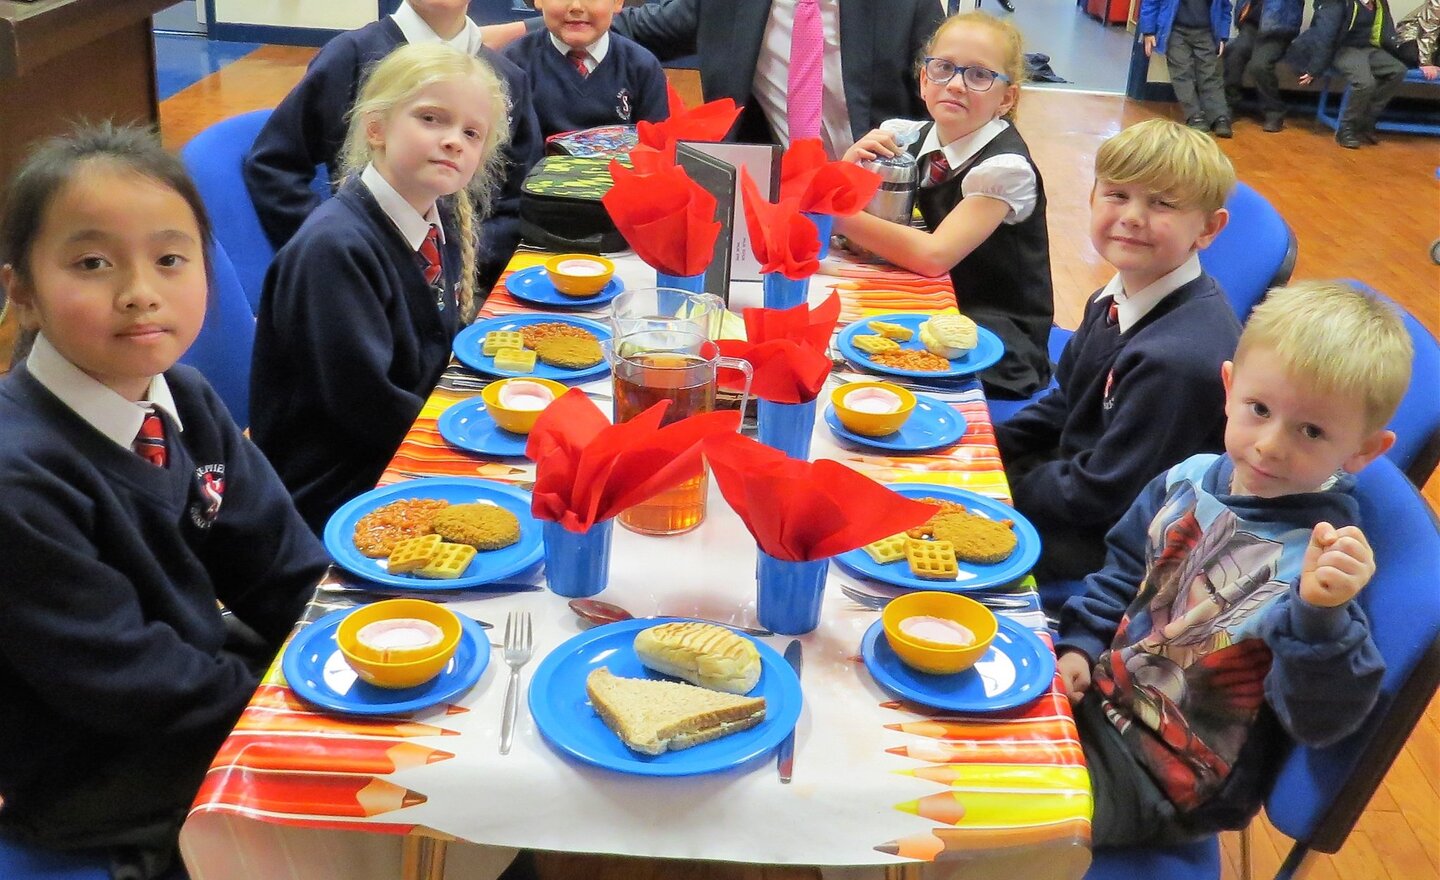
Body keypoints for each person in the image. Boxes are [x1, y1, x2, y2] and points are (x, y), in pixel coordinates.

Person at [0, 124, 330, 878]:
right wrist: (295, 715)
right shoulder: (17, 478)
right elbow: (127, 681)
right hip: (96, 772)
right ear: (22, 290)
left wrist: (340, 654)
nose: (141, 291)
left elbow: (280, 564)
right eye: (92, 263)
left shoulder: (182, 396)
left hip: (196, 689)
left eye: (171, 258)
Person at [1054, 281, 1411, 846]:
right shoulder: (1188, 477)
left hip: (1170, 778)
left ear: (1363, 452)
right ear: (1229, 388)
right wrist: (1081, 642)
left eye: (1312, 431)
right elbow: (1124, 569)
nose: (1270, 444)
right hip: (1100, 699)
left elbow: (1322, 722)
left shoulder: (1322, 564)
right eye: (1260, 409)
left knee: (998, 828)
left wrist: (1321, 616)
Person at [250, 43, 510, 533]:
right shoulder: (334, 250)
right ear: (376, 128)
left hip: (401, 444)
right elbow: (367, 408)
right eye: (431, 119)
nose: (454, 140)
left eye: (471, 132)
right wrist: (476, 441)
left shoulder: (444, 214)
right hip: (340, 491)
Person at [996, 119, 1241, 588]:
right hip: (1077, 490)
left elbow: (1104, 495)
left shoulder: (1177, 362)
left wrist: (1008, 486)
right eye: (1116, 195)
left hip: (1113, 548)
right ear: (1092, 198)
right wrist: (991, 448)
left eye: (1162, 203)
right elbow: (1066, 402)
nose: (1132, 215)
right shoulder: (1111, 299)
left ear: (1208, 229)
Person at [243, 0, 541, 294]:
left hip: (464, 284)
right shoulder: (351, 56)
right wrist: (338, 250)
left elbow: (520, 199)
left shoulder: (508, 78)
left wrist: (452, 257)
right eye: (429, 118)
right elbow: (274, 165)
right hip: (362, 281)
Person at [835, 12, 1055, 400]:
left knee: (866, 379)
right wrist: (846, 179)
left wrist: (832, 209)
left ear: (1007, 97)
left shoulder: (1005, 169)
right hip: (929, 310)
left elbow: (934, 255)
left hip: (991, 334)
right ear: (923, 80)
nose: (956, 85)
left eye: (979, 75)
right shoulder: (901, 137)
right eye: (944, 68)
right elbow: (869, 238)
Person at [482, 0, 944, 158]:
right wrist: (476, 39)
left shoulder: (901, 6)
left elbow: (942, 97)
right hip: (769, 195)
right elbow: (630, 27)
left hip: (878, 197)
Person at [503, 0, 669, 138]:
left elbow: (656, 149)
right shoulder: (513, 66)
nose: (576, 6)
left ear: (618, 2)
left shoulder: (643, 67)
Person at [1286, 0, 1408, 147]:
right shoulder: (1337, 3)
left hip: (1367, 48)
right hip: (1341, 48)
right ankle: (1346, 129)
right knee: (1365, 82)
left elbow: (1386, 34)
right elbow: (1326, 36)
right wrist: (1315, 69)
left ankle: (1365, 120)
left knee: (1398, 70)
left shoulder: (1379, 3)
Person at [1140, 0, 1236, 137]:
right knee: (1181, 73)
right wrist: (1148, 31)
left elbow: (1224, 7)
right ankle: (1194, 114)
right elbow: (1150, 2)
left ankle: (1219, 115)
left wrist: (1222, 35)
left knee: (1211, 74)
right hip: (1175, 30)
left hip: (1207, 31)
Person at [1223, 0, 1304, 131]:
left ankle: (1274, 112)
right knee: (1235, 54)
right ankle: (1228, 104)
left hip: (1278, 30)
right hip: (1251, 25)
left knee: (1259, 65)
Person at [1395, 0, 1440, 76]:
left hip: (1435, 40)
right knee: (1411, 55)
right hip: (1413, 35)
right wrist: (1425, 63)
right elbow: (1427, 30)